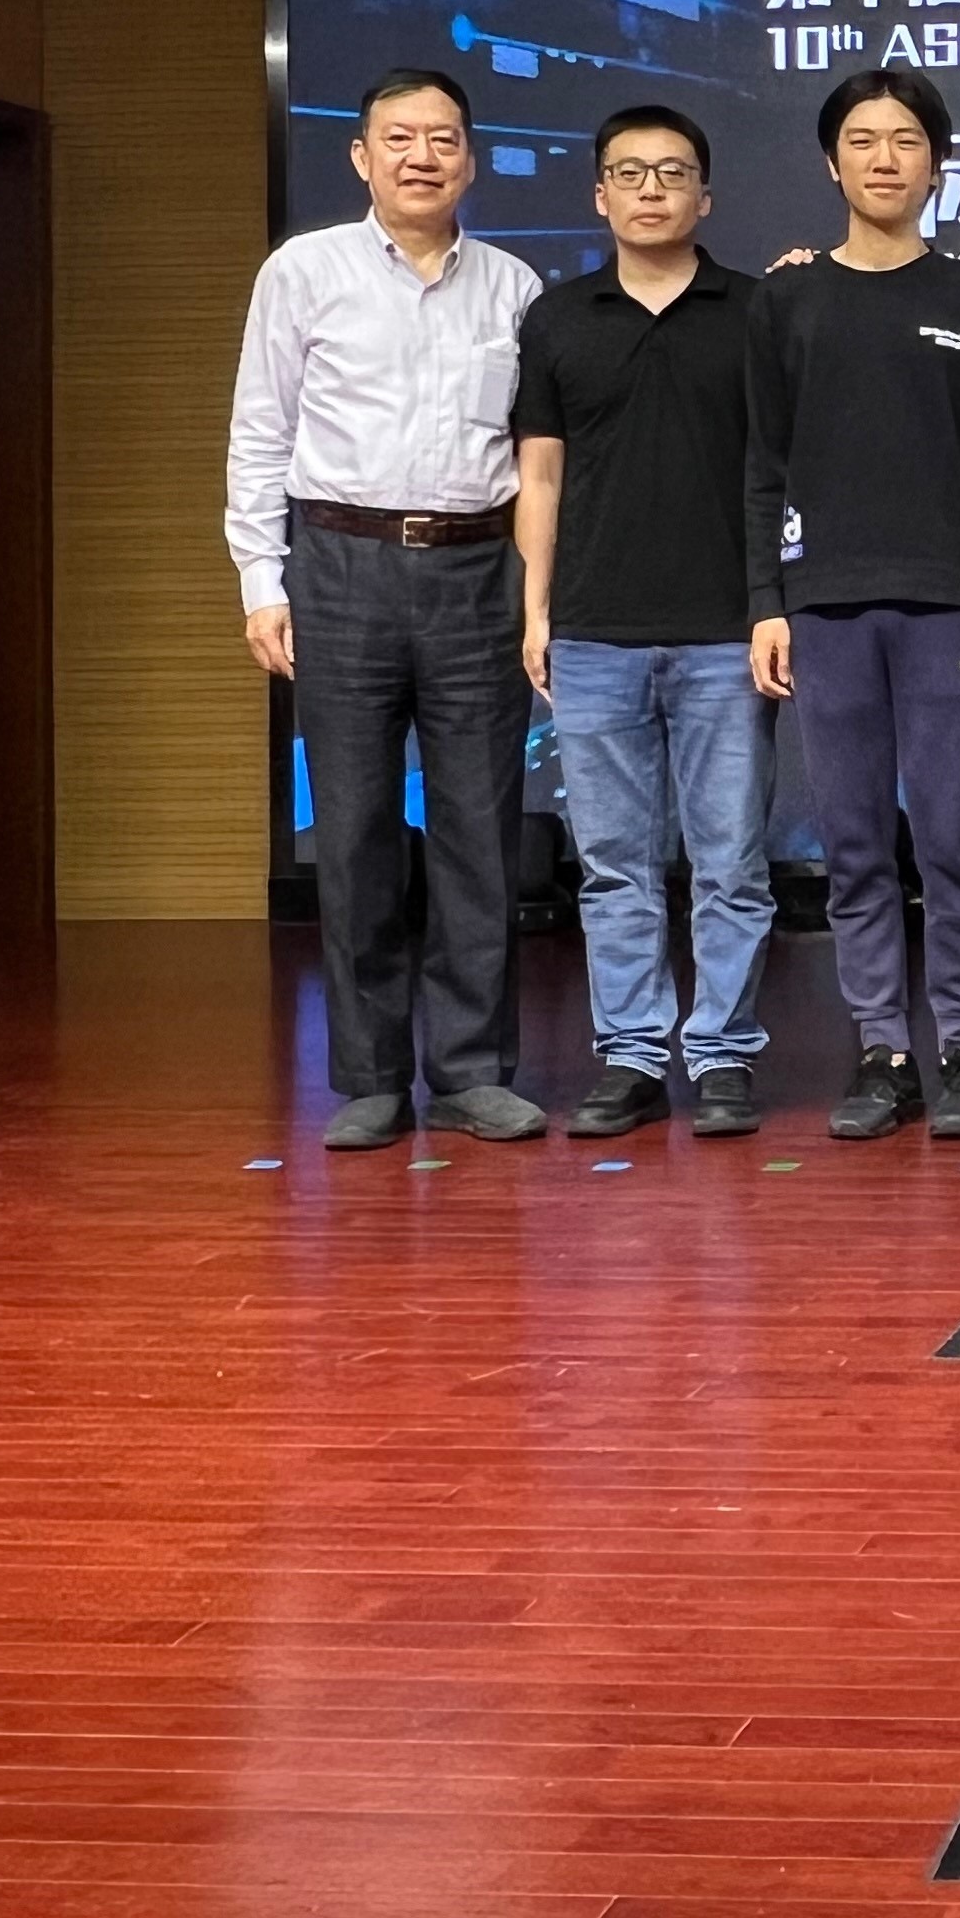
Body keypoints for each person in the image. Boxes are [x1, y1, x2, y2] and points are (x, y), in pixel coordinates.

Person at [225, 67, 549, 1152]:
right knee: (356, 827)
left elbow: (536, 458)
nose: (423, 157)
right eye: (400, 138)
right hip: (340, 565)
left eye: (443, 139)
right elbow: (260, 434)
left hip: (476, 569)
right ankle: (368, 1076)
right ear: (361, 156)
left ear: (472, 159)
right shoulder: (303, 271)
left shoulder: (513, 287)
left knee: (480, 831)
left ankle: (471, 1071)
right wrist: (261, 580)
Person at [742, 68, 960, 1144]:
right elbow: (763, 465)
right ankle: (881, 1048)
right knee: (855, 838)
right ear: (832, 163)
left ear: (937, 164)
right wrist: (766, 602)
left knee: (950, 834)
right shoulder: (787, 300)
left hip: (949, 605)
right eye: (862, 140)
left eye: (906, 140)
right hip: (824, 607)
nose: (884, 159)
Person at [515, 105, 775, 1141]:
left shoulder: (755, 313)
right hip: (592, 630)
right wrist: (535, 608)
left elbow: (779, 475)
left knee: (730, 863)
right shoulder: (558, 319)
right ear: (600, 195)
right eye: (630, 173)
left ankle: (723, 1053)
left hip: (725, 631)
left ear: (705, 195)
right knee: (615, 865)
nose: (652, 189)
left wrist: (773, 609)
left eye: (672, 172)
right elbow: (540, 474)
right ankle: (630, 1055)